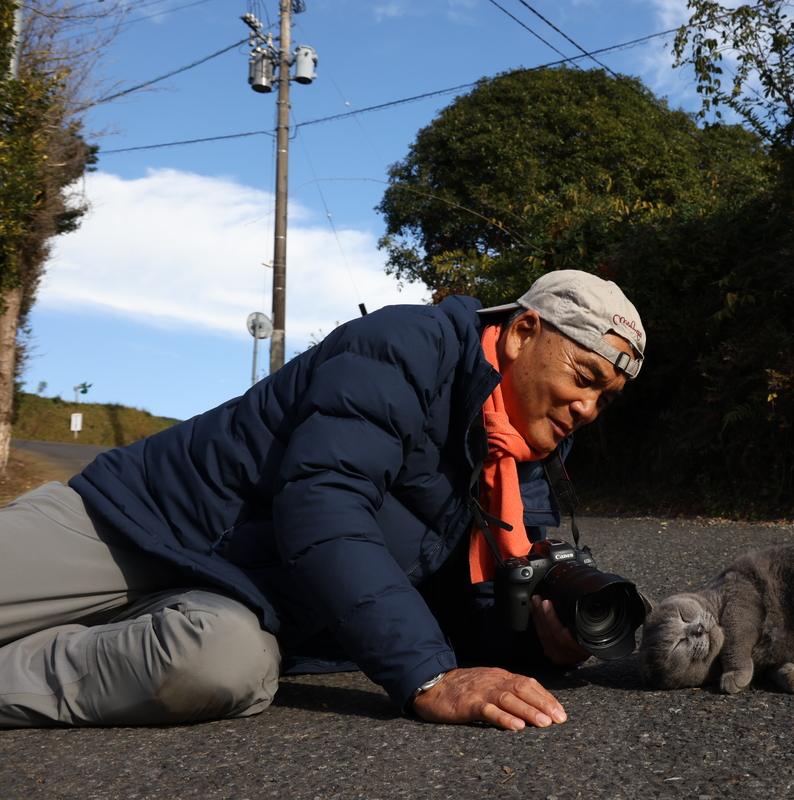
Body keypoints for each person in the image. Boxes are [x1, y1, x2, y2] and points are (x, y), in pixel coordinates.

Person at [0, 269, 645, 731]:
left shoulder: (529, 459)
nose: (587, 409)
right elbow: (323, 508)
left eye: (606, 400)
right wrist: (427, 675)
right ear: (522, 332)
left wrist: (540, 641)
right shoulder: (407, 347)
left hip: (237, 599)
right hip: (135, 524)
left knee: (226, 667)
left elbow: (471, 609)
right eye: (583, 377)